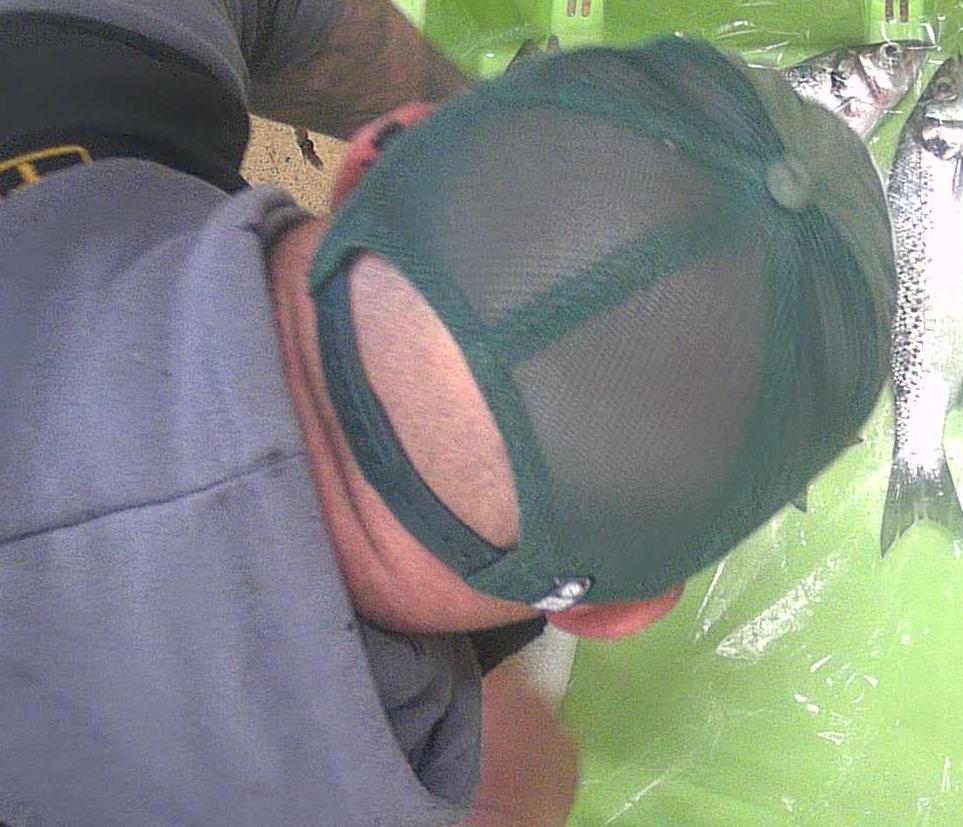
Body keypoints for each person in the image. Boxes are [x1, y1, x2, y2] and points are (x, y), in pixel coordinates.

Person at [0, 2, 895, 825]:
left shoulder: (59, 60)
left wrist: (505, 177)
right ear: (611, 612)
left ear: (365, 160)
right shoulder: (455, 792)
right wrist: (510, 788)